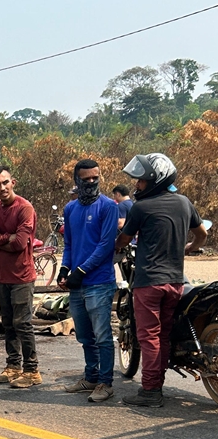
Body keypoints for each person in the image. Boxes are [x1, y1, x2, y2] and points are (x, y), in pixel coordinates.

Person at [116, 153, 208, 407]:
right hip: (176, 282)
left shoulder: (141, 208)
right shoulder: (183, 203)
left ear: (155, 181)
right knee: (163, 335)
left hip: (149, 283)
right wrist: (188, 248)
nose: (136, 185)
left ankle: (150, 391)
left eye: (141, 181)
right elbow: (202, 235)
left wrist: (113, 246)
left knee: (149, 337)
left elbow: (124, 239)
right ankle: (157, 384)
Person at [58, 159, 119, 402]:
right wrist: (65, 269)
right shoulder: (70, 209)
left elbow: (106, 246)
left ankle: (106, 383)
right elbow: (69, 244)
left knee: (103, 336)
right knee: (85, 336)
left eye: (96, 177)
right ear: (76, 180)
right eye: (86, 179)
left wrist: (81, 271)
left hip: (100, 282)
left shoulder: (109, 207)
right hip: (78, 284)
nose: (92, 182)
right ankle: (91, 377)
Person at [0, 166, 41, 389]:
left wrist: (1, 238)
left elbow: (19, 244)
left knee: (22, 323)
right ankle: (13, 366)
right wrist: (8, 237)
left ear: (13, 182)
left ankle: (32, 370)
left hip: (23, 276)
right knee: (8, 324)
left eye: (5, 182)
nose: (2, 187)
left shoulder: (25, 208)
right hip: (4, 276)